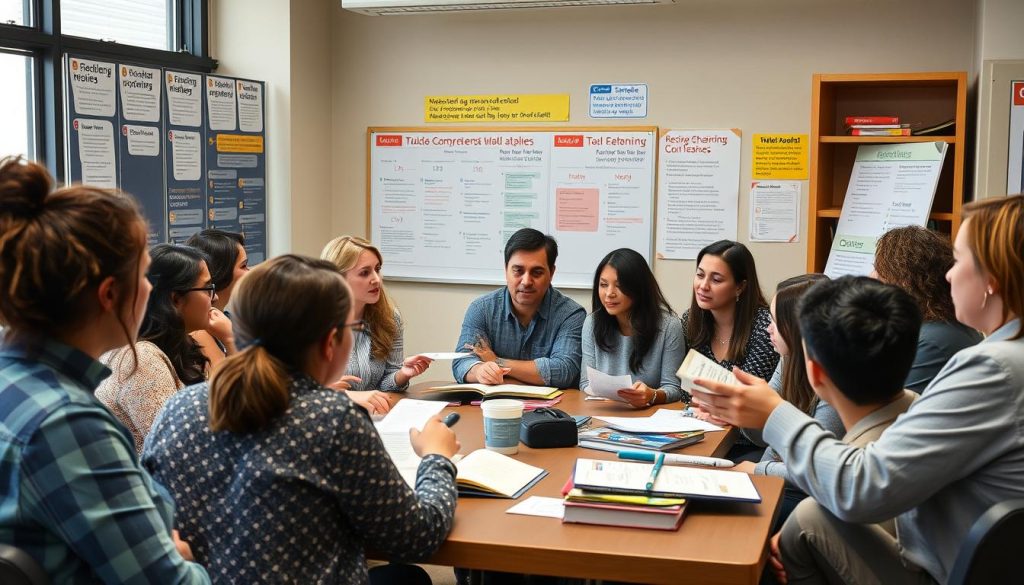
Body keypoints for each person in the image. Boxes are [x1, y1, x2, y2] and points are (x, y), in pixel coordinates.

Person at [692, 194, 1024, 585]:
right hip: (945, 550)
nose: (949, 275)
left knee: (793, 526)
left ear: (992, 280)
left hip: (937, 569)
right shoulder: (997, 355)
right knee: (810, 518)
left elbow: (862, 488)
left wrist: (774, 414)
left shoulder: (993, 367)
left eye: (960, 260)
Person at [143, 254, 460, 585]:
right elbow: (416, 536)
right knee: (409, 578)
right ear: (330, 343)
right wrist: (437, 457)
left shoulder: (177, 408)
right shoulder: (334, 420)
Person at [0, 156, 208, 582]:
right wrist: (182, 557)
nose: (150, 288)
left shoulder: (15, 384)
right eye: (145, 274)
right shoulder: (68, 424)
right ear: (111, 294)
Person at [734, 274, 844, 530]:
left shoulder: (832, 377)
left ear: (795, 326)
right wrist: (741, 415)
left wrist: (758, 470)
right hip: (777, 477)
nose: (767, 329)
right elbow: (764, 437)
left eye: (774, 321)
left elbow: (817, 470)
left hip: (809, 497)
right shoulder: (788, 360)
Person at [95, 243, 214, 453]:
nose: (215, 298)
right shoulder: (141, 358)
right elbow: (180, 450)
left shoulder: (164, 347)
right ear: (176, 298)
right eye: (208, 289)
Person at [453, 228, 586, 388]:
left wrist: (496, 362)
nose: (526, 281)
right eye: (518, 271)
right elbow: (462, 361)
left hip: (552, 410)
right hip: (494, 406)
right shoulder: (481, 309)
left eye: (536, 272)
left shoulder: (571, 315)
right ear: (506, 269)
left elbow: (563, 370)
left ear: (551, 273)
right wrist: (480, 370)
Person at [872, 225, 983, 391]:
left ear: (905, 281)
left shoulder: (931, 342)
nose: (871, 276)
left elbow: (888, 409)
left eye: (879, 271)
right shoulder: (939, 326)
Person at [321, 235, 431, 393]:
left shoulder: (389, 318)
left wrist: (402, 374)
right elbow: (295, 389)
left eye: (377, 269)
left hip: (376, 414)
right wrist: (336, 393)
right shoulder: (312, 322)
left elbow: (385, 385)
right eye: (365, 273)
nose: (376, 279)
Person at [580, 248, 684, 408]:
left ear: (638, 288)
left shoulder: (669, 326)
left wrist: (652, 395)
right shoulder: (592, 323)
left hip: (649, 417)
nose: (609, 293)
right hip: (605, 413)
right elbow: (586, 382)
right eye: (603, 285)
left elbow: (673, 388)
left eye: (619, 286)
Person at [682, 239, 778, 402]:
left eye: (716, 279)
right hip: (696, 420)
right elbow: (685, 393)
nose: (703, 286)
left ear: (740, 286)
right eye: (700, 275)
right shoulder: (690, 320)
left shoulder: (765, 327)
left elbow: (744, 396)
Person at [186, 229, 249, 366]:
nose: (249, 273)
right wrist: (230, 339)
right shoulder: (197, 331)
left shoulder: (228, 318)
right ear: (221, 272)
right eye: (243, 266)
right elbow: (228, 385)